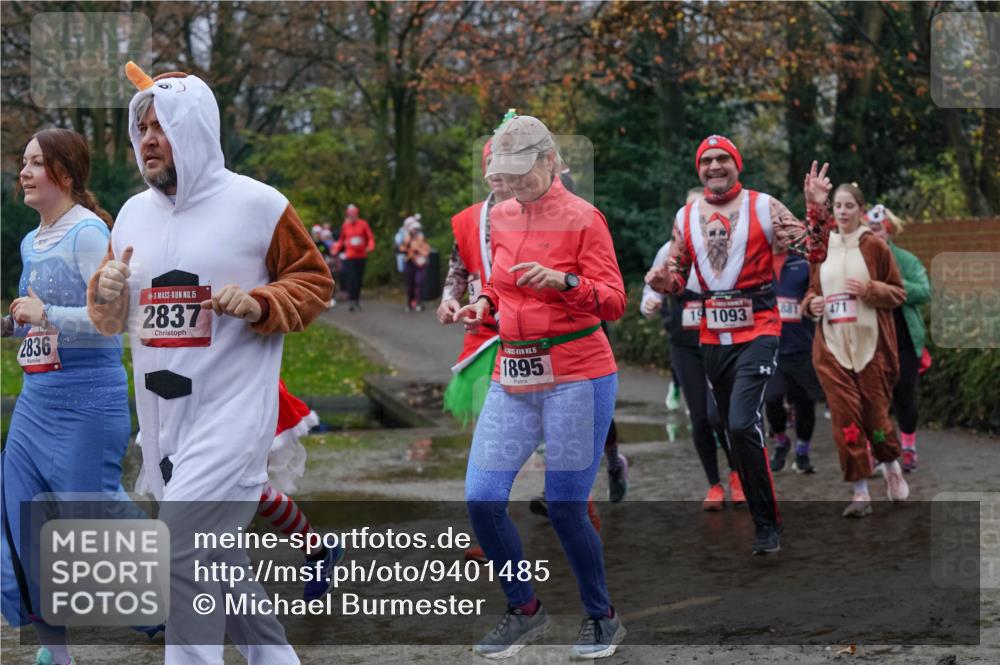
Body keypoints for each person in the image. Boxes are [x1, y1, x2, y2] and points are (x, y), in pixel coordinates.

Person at [88, 62, 332, 665]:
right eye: (140, 127)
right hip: (164, 423)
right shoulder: (131, 214)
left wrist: (260, 302)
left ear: (194, 130)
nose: (147, 139)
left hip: (232, 416)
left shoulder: (258, 205)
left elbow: (314, 281)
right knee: (217, 562)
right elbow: (110, 321)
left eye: (161, 125)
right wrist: (106, 291)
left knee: (176, 549)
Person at [455, 115, 627, 659]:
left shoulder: (584, 218)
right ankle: (524, 609)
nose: (515, 185)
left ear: (551, 160)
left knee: (565, 504)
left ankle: (602, 617)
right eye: (506, 175)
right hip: (514, 372)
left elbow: (614, 301)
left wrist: (567, 282)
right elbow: (500, 284)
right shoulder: (501, 217)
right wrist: (481, 304)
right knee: (481, 498)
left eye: (524, 173)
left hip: (578, 373)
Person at [646, 136, 833, 555]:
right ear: (699, 169)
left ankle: (767, 524)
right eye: (707, 160)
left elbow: (815, 249)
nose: (714, 166)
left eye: (722, 159)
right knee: (729, 428)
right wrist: (663, 283)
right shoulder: (687, 215)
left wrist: (817, 207)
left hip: (760, 330)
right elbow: (677, 277)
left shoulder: (764, 206)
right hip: (712, 338)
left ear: (736, 165)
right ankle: (759, 504)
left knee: (739, 422)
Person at [0, 128, 131, 665]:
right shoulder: (34, 238)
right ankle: (54, 652)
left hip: (88, 401)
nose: (24, 173)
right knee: (16, 520)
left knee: (91, 522)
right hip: (37, 401)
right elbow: (34, 315)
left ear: (66, 174)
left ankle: (188, 589)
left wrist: (45, 315)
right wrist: (13, 324)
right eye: (24, 164)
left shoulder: (88, 234)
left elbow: (112, 324)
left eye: (35, 163)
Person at [802, 185, 909, 518]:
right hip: (833, 348)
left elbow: (898, 293)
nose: (844, 211)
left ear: (861, 209)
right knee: (846, 421)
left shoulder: (874, 246)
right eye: (838, 206)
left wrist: (869, 289)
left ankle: (891, 464)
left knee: (876, 418)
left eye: (850, 205)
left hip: (871, 345)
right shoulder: (821, 248)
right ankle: (860, 491)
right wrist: (812, 305)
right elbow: (809, 293)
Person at [641, 234, 740, 511]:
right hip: (685, 345)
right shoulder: (668, 250)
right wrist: (650, 304)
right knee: (699, 417)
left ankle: (737, 473)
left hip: (719, 342)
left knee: (717, 414)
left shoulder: (726, 248)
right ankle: (714, 485)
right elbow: (650, 289)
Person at [866, 204, 930, 472]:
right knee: (873, 403)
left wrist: (894, 285)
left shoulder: (905, 260)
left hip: (903, 341)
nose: (874, 234)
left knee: (905, 398)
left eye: (878, 229)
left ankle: (908, 447)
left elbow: (925, 291)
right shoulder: (858, 260)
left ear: (888, 231)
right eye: (869, 230)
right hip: (869, 341)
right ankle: (877, 449)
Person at [765, 246, 825, 474]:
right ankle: (781, 440)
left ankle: (802, 452)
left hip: (801, 346)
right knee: (772, 396)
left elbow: (816, 293)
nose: (778, 236)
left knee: (804, 402)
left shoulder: (804, 264)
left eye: (782, 230)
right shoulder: (756, 262)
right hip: (770, 346)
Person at [331, 204, 375, 311]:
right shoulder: (345, 226)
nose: (352, 216)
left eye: (354, 214)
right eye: (350, 214)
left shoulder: (363, 224)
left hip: (361, 256)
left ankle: (356, 300)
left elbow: (370, 238)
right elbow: (341, 240)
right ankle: (352, 301)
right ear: (348, 215)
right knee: (351, 278)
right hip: (350, 256)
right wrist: (336, 248)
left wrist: (370, 246)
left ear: (357, 214)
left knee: (359, 279)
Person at [400, 218, 431, 311]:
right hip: (409, 263)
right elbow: (401, 249)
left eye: (416, 229)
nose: (415, 231)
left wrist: (417, 249)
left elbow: (426, 251)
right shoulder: (406, 239)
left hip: (420, 264)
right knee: (410, 284)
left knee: (419, 282)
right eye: (413, 229)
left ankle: (419, 303)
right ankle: (409, 303)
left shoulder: (421, 238)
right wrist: (409, 247)